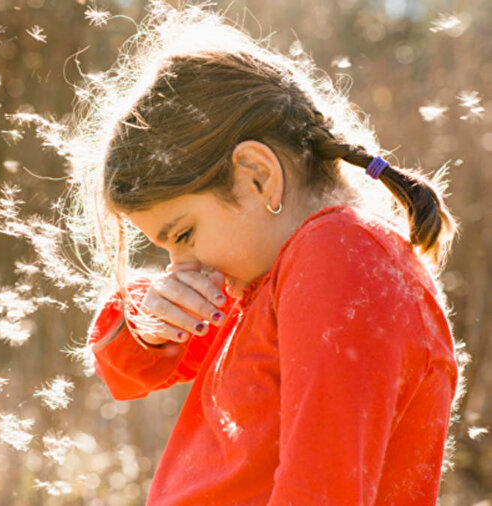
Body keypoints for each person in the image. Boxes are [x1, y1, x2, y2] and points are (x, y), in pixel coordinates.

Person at [64, 3, 468, 504]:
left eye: (184, 234)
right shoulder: (275, 271)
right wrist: (150, 321)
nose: (179, 268)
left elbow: (320, 494)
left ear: (257, 175)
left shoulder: (336, 259)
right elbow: (127, 366)